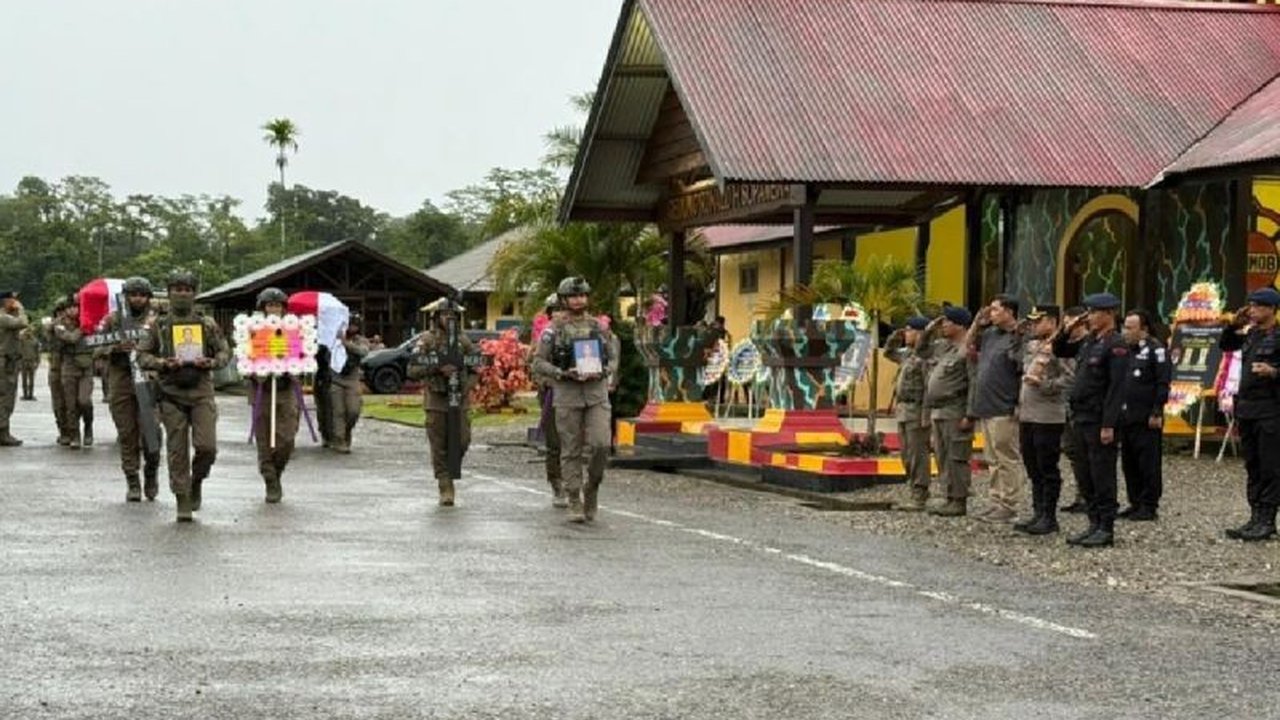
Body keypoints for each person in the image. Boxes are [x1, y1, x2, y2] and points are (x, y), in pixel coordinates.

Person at [137, 270, 229, 522]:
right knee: (177, 450)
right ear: (168, 293)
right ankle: (182, 497)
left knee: (207, 447)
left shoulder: (207, 324)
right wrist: (163, 363)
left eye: (187, 289)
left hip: (201, 392)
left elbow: (224, 353)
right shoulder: (158, 325)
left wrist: (210, 361)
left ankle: (197, 480)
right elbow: (142, 356)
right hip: (171, 393)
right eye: (176, 289)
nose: (181, 294)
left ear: (194, 293)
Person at [533, 276, 620, 523]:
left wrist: (606, 371)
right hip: (567, 394)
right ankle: (573, 496)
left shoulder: (600, 328)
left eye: (582, 295)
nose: (578, 300)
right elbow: (538, 361)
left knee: (601, 443)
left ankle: (591, 487)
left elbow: (613, 356)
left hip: (596, 393)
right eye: (573, 296)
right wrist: (560, 372)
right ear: (564, 299)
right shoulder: (553, 330)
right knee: (569, 449)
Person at [1052, 292, 1128, 548]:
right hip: (1081, 417)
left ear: (1109, 314)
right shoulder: (1089, 342)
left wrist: (1109, 424)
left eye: (1094, 312)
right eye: (1089, 312)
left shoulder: (1116, 345)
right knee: (1085, 473)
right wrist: (1068, 328)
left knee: (1102, 473)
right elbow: (1059, 349)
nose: (1090, 317)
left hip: (1099, 419)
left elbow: (1116, 389)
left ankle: (1106, 527)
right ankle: (1093, 522)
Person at [1219, 288, 1280, 542]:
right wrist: (1234, 323)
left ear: (1271, 309)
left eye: (1257, 306)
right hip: (1247, 409)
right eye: (1251, 306)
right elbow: (1226, 344)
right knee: (1252, 465)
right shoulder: (1251, 334)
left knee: (1270, 466)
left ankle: (1267, 519)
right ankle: (1255, 516)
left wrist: (1274, 372)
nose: (1252, 310)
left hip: (1271, 411)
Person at [96, 277, 161, 501]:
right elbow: (93, 347)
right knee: (127, 433)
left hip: (147, 378)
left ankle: (151, 473)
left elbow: (166, 350)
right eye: (133, 294)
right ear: (125, 296)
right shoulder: (113, 319)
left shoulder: (157, 321)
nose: (137, 299)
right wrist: (115, 347)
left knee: (152, 432)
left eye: (142, 295)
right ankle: (132, 481)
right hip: (121, 378)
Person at [407, 298, 477, 506]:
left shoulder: (463, 341)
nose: (450, 319)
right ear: (437, 318)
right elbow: (412, 370)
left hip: (459, 398)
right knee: (439, 445)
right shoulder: (426, 340)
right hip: (436, 400)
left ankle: (451, 470)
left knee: (462, 440)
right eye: (446, 315)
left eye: (454, 316)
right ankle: (445, 485)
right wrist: (436, 367)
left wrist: (466, 386)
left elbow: (476, 367)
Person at [1013, 304, 1073, 535]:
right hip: (1028, 413)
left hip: (1048, 415)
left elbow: (1069, 380)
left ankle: (1049, 516)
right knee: (1032, 465)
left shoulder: (1061, 348)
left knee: (1047, 466)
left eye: (1038, 321)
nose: (1033, 325)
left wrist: (1044, 385)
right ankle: (1038, 512)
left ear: (1050, 321)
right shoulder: (1033, 345)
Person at [967, 295, 1025, 523]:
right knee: (991, 458)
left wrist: (1018, 404)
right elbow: (969, 348)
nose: (990, 313)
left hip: (1004, 404)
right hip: (986, 404)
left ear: (1009, 312)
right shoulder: (990, 335)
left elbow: (1021, 368)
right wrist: (977, 324)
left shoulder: (1017, 336)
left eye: (995, 310)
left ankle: (1010, 503)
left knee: (1006, 456)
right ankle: (996, 500)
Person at [1116, 309, 1170, 522]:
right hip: (1126, 415)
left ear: (1144, 329)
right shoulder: (1126, 350)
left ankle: (1149, 504)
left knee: (1148, 462)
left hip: (1146, 416)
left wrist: (1157, 410)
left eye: (1130, 328)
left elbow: (1162, 383)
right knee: (1129, 462)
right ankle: (1135, 501)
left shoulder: (1156, 351)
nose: (1125, 332)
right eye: (1125, 327)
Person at [922, 306, 977, 517]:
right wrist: (928, 330)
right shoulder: (943, 347)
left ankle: (959, 500)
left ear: (960, 325)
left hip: (956, 410)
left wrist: (970, 414)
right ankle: (949, 496)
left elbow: (974, 382)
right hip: (939, 410)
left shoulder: (967, 349)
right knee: (943, 457)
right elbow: (922, 351)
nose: (943, 325)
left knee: (957, 457)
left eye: (947, 322)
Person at [247, 287, 299, 503]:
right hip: (261, 389)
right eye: (270, 305)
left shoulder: (292, 330)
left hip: (286, 389)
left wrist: (292, 365)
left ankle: (277, 471)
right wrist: (257, 369)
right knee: (264, 440)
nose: (274, 309)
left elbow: (301, 355)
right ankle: (270, 479)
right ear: (263, 308)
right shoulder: (251, 330)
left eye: (278, 306)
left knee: (286, 438)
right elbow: (244, 358)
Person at [887, 315, 936, 511]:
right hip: (904, 409)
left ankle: (920, 493)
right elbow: (889, 353)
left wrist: (926, 415)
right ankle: (913, 489)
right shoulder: (908, 354)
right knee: (906, 454)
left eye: (909, 330)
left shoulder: (926, 356)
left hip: (916, 409)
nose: (906, 334)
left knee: (918, 454)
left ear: (920, 333)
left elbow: (928, 387)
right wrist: (894, 336)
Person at [530, 292, 569, 507]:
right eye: (557, 311)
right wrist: (552, 376)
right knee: (555, 442)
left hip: (575, 393)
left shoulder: (579, 332)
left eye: (564, 310)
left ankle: (572, 482)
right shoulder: (547, 335)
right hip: (552, 393)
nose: (561, 315)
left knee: (573, 442)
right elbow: (536, 364)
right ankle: (557, 483)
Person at [53, 293, 96, 449]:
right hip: (69, 364)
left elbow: (98, 339)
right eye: (70, 307)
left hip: (86, 365)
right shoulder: (59, 323)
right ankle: (74, 434)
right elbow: (69, 338)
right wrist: (82, 330)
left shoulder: (89, 321)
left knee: (84, 400)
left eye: (76, 307)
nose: (73, 310)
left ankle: (88, 427)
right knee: (70, 404)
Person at [1058, 306, 1089, 514]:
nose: (1069, 328)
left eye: (1073, 324)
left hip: (1081, 406)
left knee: (1084, 453)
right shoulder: (1068, 344)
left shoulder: (1089, 343)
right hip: (1063, 404)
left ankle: (1088, 495)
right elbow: (1058, 347)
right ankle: (1081, 494)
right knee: (1072, 451)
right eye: (1066, 323)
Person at [329, 314, 370, 454]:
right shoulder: (334, 339)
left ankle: (346, 431)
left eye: (355, 325)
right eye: (350, 324)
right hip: (336, 378)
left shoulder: (361, 340)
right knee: (338, 411)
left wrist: (345, 343)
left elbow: (363, 352)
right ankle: (339, 439)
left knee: (353, 411)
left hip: (352, 378)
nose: (353, 327)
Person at [0, 290, 31, 446]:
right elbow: (23, 322)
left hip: (8, 361)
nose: (14, 302)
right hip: (4, 364)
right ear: (5, 302)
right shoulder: (3, 317)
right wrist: (21, 309)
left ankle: (4, 431)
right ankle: (3, 433)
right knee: (5, 398)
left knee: (6, 397)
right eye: (12, 300)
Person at [44, 298, 70, 445]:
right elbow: (49, 336)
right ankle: (63, 431)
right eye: (59, 311)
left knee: (72, 402)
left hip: (70, 366)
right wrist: (57, 323)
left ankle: (73, 431)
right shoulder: (53, 326)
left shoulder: (74, 325)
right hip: (56, 366)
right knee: (58, 402)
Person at [18, 325, 39, 401]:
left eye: (30, 331)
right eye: (27, 331)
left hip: (32, 361)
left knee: (31, 380)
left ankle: (31, 394)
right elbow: (18, 350)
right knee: (24, 379)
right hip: (24, 361)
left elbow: (37, 353)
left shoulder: (35, 341)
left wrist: (37, 362)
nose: (29, 333)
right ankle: (25, 394)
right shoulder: (22, 340)